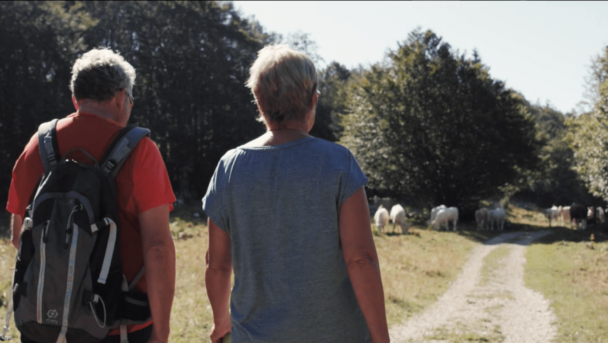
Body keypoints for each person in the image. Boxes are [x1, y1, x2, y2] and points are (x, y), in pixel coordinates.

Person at [203, 45, 390, 343]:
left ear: (258, 100)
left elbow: (217, 264)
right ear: (313, 99)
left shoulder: (229, 167)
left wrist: (220, 322)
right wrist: (381, 338)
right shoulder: (339, 162)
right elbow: (361, 259)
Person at [7, 48, 176, 343]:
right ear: (121, 96)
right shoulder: (141, 151)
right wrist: (160, 333)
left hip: (43, 327)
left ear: (76, 99)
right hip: (118, 326)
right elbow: (158, 247)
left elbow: (18, 236)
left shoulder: (38, 145)